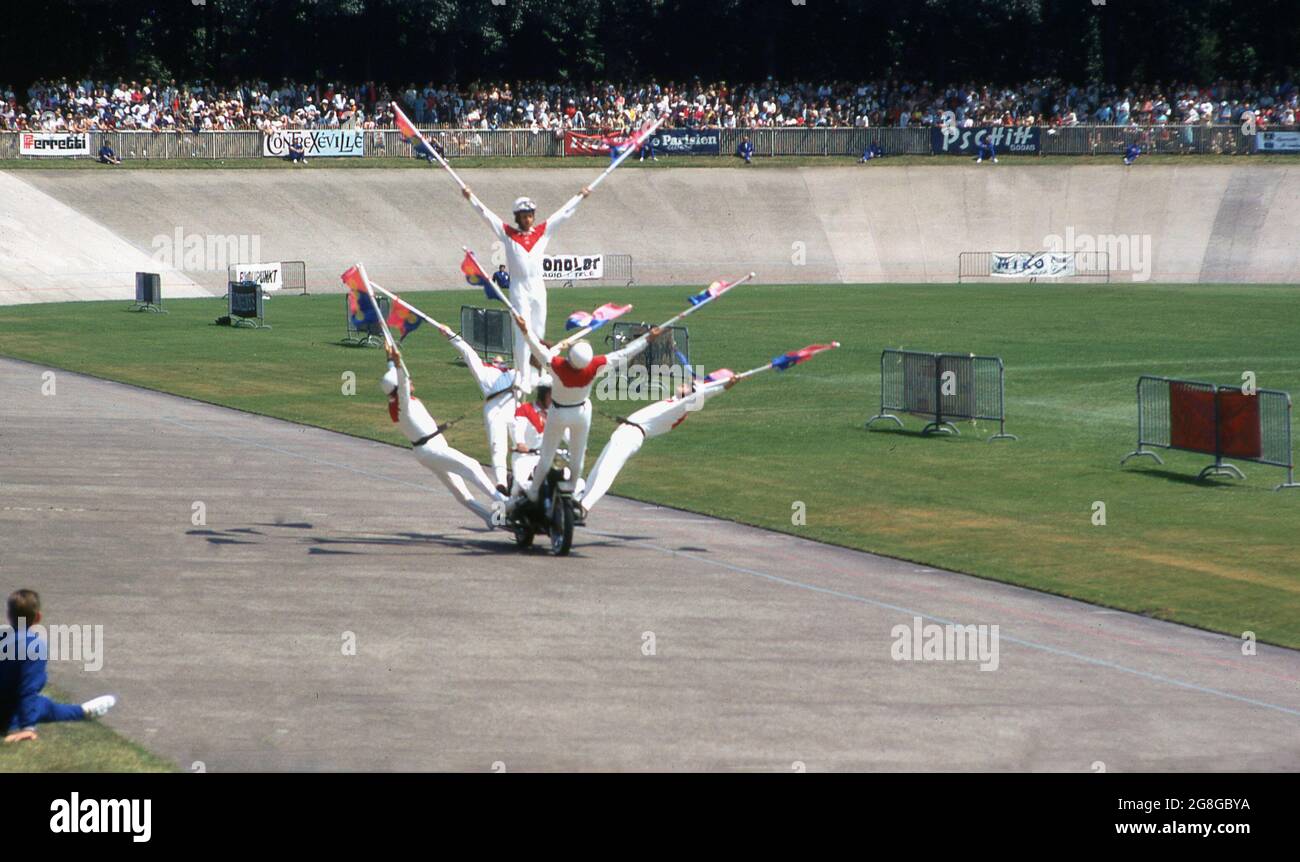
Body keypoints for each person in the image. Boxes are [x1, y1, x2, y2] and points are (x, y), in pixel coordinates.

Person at [510, 312, 661, 508]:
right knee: (577, 454)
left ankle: (534, 490)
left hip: (558, 413)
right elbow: (624, 354)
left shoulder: (557, 366)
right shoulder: (595, 366)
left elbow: (537, 349)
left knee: (547, 455)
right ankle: (571, 487)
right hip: (580, 414)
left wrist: (525, 330)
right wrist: (648, 338)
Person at [461, 184, 592, 394]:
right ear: (517, 217)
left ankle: (538, 374)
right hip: (519, 288)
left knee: (538, 333)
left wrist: (580, 196)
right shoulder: (507, 234)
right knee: (522, 333)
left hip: (538, 287)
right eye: (523, 216)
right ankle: (522, 377)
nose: (528, 219)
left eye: (530, 215)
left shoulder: (542, 232)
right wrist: (471, 197)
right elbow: (487, 215)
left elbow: (563, 214)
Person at [576, 372, 738, 522]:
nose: (685, 383)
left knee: (606, 471)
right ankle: (578, 504)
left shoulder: (683, 405)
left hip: (631, 435)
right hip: (623, 433)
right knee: (597, 471)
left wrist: (724, 386)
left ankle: (584, 507)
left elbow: (705, 394)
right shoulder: (675, 401)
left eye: (690, 385)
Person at [381, 343, 506, 529]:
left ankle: (491, 519)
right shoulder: (402, 405)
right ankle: (505, 502)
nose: (411, 381)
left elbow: (397, 381)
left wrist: (391, 359)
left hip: (429, 447)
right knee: (471, 465)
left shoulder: (395, 401)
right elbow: (402, 382)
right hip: (431, 449)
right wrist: (398, 364)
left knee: (459, 492)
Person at [2, 589, 116, 744]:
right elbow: (28, 689)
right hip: (8, 713)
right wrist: (27, 727)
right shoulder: (33, 646)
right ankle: (83, 712)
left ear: (9, 615)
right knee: (42, 705)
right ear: (38, 617)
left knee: (43, 704)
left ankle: (83, 711)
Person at [433, 320, 517, 493]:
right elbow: (468, 352)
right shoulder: (487, 371)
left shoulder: (512, 372)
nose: (498, 359)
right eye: (497, 360)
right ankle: (502, 483)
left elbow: (467, 351)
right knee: (499, 447)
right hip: (499, 411)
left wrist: (450, 334)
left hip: (512, 410)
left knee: (512, 445)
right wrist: (449, 334)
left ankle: (519, 478)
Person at [510, 376, 554, 496]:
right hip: (525, 457)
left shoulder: (555, 414)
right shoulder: (525, 409)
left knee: (564, 479)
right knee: (518, 485)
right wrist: (520, 442)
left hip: (546, 458)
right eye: (551, 394)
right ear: (542, 393)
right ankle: (509, 509)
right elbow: (517, 428)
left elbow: (566, 432)